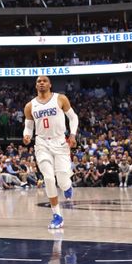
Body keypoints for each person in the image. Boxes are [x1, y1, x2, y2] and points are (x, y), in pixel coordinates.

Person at [23, 76, 78, 229]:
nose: (41, 83)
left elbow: (73, 118)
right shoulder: (30, 106)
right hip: (41, 143)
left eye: (44, 81)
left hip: (60, 142)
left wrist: (72, 134)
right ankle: (57, 215)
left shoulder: (60, 99)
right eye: (38, 81)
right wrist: (26, 135)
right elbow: (28, 127)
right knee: (48, 178)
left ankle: (67, 186)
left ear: (50, 84)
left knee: (62, 180)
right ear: (35, 86)